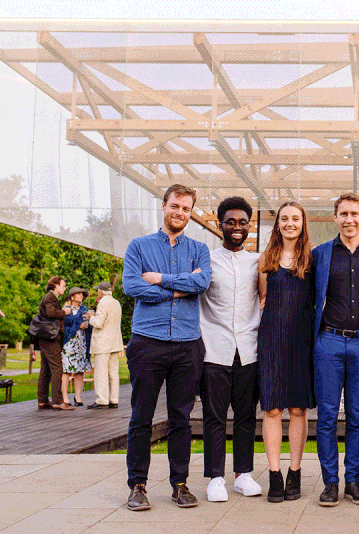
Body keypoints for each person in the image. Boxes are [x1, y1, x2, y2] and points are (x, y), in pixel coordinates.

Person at [122, 184, 212, 512]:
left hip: (187, 345)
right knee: (141, 416)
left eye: (186, 209)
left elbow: (202, 284)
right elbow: (131, 285)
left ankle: (179, 484)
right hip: (147, 342)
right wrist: (180, 287)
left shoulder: (199, 250)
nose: (180, 213)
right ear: (164, 206)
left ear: (191, 213)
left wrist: (159, 278)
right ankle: (138, 486)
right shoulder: (139, 246)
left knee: (181, 418)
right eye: (175, 206)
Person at [312, 192, 359, 507]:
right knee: (327, 415)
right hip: (327, 341)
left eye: (355, 213)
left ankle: (353, 481)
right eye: (344, 214)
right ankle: (330, 483)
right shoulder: (320, 254)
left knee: (357, 415)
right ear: (336, 217)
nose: (349, 219)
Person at [198, 197, 262, 503]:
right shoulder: (205, 260)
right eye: (231, 222)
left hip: (249, 350)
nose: (237, 227)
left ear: (249, 226)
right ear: (220, 225)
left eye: (242, 222)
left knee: (247, 415)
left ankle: (243, 474)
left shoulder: (259, 261)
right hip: (214, 349)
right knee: (214, 416)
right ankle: (216, 477)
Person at [258, 201, 316, 503]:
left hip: (301, 341)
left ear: (302, 222)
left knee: (297, 409)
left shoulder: (313, 258)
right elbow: (262, 298)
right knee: (272, 409)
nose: (290, 223)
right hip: (271, 340)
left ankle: (294, 472)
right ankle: (274, 474)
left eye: (295, 218)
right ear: (277, 223)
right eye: (284, 218)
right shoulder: (266, 257)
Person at [86, 281, 125, 409]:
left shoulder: (103, 303)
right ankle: (114, 399)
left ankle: (102, 399)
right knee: (113, 372)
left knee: (101, 372)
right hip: (115, 342)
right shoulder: (116, 303)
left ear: (101, 291)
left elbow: (98, 323)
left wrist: (90, 317)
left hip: (102, 343)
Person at [36, 276, 71, 410]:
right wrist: (64, 312)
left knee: (45, 369)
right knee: (57, 368)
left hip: (45, 338)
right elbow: (51, 313)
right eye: (63, 285)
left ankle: (43, 400)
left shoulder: (49, 297)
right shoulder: (50, 297)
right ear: (55, 285)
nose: (64, 287)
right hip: (50, 338)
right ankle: (58, 401)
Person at [60, 287, 92, 409]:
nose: (80, 296)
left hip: (82, 343)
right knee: (67, 370)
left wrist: (88, 322)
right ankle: (65, 397)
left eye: (82, 294)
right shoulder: (67, 310)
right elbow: (64, 326)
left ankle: (78, 397)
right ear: (72, 296)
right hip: (69, 343)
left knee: (79, 371)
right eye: (78, 294)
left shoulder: (85, 310)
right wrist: (79, 324)